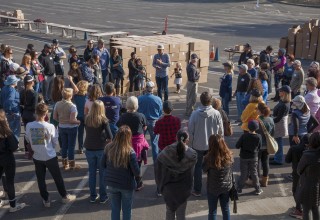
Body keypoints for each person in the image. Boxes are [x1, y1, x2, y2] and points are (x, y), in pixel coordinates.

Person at [25, 103, 76, 208]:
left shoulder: (29, 125)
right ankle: (64, 196)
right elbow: (54, 143)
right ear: (46, 113)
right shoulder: (50, 126)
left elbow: (27, 139)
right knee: (57, 177)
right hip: (50, 156)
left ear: (36, 112)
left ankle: (46, 199)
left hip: (37, 156)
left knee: (40, 179)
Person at [155, 129, 197, 220]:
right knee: (181, 214)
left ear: (176, 138)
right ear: (187, 140)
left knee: (170, 212)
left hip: (168, 189)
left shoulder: (166, 151)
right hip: (184, 189)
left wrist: (160, 185)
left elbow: (158, 166)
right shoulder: (193, 154)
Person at [188, 92, 224, 197]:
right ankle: (212, 187)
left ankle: (197, 190)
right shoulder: (216, 113)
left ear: (201, 101)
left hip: (197, 145)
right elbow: (221, 131)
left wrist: (191, 144)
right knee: (213, 166)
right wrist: (221, 143)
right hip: (212, 145)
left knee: (198, 167)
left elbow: (190, 130)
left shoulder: (194, 114)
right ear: (210, 101)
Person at [102, 125, 141, 220]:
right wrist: (139, 181)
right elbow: (136, 172)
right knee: (126, 209)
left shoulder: (108, 147)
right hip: (126, 184)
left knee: (115, 209)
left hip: (111, 183)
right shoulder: (129, 151)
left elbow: (102, 165)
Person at [117, 96, 148, 190]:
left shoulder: (123, 116)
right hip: (138, 143)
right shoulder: (141, 116)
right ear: (136, 105)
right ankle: (138, 183)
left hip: (126, 141)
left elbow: (119, 126)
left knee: (126, 162)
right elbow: (145, 127)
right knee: (137, 163)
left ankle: (129, 181)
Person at [84, 100, 112, 203]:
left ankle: (92, 195)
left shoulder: (87, 118)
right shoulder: (104, 120)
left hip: (89, 148)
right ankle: (103, 196)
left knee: (92, 173)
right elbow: (110, 137)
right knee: (102, 173)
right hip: (100, 149)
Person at [203, 134, 233, 220]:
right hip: (226, 187)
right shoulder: (229, 156)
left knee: (212, 211)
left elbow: (204, 169)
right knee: (226, 209)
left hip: (212, 188)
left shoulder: (208, 158)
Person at [0, 109, 25, 212]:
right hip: (7, 158)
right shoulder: (7, 131)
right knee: (10, 181)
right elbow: (14, 146)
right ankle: (13, 205)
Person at [53, 88, 81, 170]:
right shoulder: (72, 106)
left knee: (64, 145)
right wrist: (78, 122)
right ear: (71, 96)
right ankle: (72, 164)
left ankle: (65, 164)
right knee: (71, 146)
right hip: (71, 128)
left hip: (61, 127)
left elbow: (54, 117)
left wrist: (61, 121)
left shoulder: (57, 104)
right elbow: (72, 120)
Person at [285, 134, 310, 219]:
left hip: (297, 173)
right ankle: (304, 207)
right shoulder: (312, 150)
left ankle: (299, 209)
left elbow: (287, 160)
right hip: (309, 174)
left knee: (296, 190)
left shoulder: (294, 148)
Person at [297, 132, 320, 220]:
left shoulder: (307, 155)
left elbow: (299, 170)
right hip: (317, 185)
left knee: (306, 210)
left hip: (307, 185)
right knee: (315, 208)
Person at [138, 81, 162, 164]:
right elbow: (160, 112)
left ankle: (140, 159)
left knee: (140, 141)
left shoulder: (140, 98)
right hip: (153, 122)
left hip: (142, 122)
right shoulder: (158, 99)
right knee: (154, 142)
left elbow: (137, 110)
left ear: (146, 88)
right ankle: (156, 161)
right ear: (153, 88)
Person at [236, 120, 263, 195]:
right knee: (254, 173)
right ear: (257, 128)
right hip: (254, 157)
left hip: (244, 157)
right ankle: (258, 189)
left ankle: (239, 188)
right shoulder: (258, 136)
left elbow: (237, 146)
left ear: (248, 127)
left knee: (244, 173)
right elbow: (259, 147)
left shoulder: (244, 136)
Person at [270, 85, 291, 165]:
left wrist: (269, 120)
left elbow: (278, 118)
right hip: (279, 124)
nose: (279, 92)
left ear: (284, 93)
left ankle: (278, 159)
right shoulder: (283, 101)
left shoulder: (284, 104)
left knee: (278, 142)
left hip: (279, 124)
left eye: (280, 91)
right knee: (277, 141)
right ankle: (277, 156)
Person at [20, 75, 38, 159]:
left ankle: (27, 151)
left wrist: (23, 110)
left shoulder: (22, 92)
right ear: (31, 83)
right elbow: (34, 107)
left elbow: (21, 105)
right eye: (33, 81)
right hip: (32, 115)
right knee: (34, 132)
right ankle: (35, 150)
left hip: (25, 115)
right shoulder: (34, 93)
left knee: (26, 133)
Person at [256, 103, 274, 187]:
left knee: (257, 162)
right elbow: (273, 133)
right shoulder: (270, 119)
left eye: (257, 109)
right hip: (267, 145)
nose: (256, 110)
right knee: (265, 162)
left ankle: (256, 180)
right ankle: (265, 180)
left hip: (258, 146)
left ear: (260, 111)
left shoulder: (258, 121)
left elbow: (255, 134)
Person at [0, 75, 21, 141]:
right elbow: (10, 100)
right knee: (15, 130)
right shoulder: (12, 90)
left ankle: (9, 144)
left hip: (5, 112)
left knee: (8, 129)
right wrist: (10, 111)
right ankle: (14, 145)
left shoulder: (4, 88)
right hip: (13, 112)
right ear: (14, 82)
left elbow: (1, 100)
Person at [73, 80, 89, 154]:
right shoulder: (87, 96)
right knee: (89, 133)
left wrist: (71, 81)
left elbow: (75, 90)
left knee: (80, 133)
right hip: (86, 116)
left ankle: (80, 148)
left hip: (78, 117)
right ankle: (89, 146)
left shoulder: (75, 96)